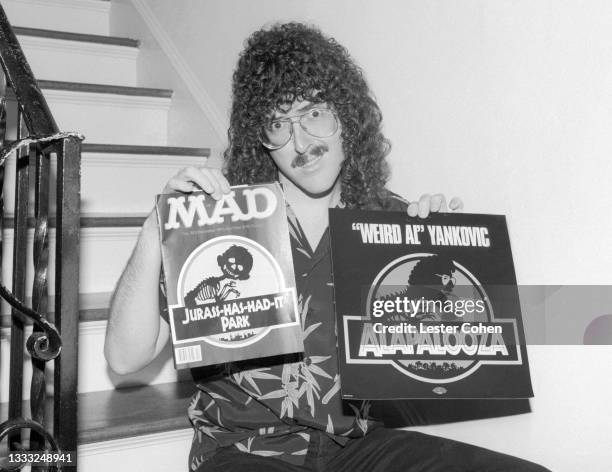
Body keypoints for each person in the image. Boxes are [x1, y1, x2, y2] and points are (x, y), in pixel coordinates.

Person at [105, 22, 550, 472]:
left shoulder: (386, 223)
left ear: (346, 115)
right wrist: (152, 231)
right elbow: (124, 358)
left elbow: (447, 347)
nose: (299, 143)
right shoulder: (225, 221)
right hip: (246, 450)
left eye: (314, 113)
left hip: (357, 448)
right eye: (277, 124)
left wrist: (440, 248)